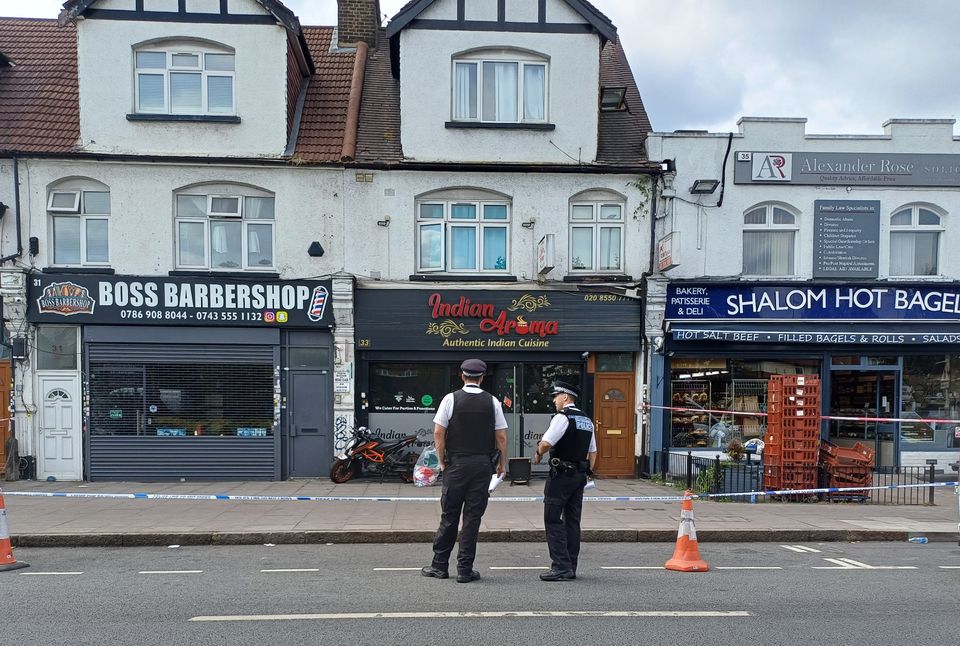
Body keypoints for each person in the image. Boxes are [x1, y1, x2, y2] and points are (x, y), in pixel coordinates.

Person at [421, 358, 507, 583]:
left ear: (462, 376)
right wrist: (502, 463)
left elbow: (439, 432)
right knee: (472, 518)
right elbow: (501, 436)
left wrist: (441, 461)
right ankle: (465, 570)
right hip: (481, 467)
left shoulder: (450, 399)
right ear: (482, 377)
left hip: (456, 465)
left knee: (449, 516)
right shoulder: (493, 402)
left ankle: (439, 566)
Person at [533, 380, 596, 582]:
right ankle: (571, 566)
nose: (554, 400)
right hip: (579, 476)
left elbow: (546, 443)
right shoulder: (587, 420)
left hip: (561, 476)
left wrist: (538, 452)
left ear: (565, 397)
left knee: (552, 518)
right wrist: (588, 472)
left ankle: (560, 566)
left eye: (556, 396)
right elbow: (593, 452)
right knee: (572, 521)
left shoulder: (562, 417)